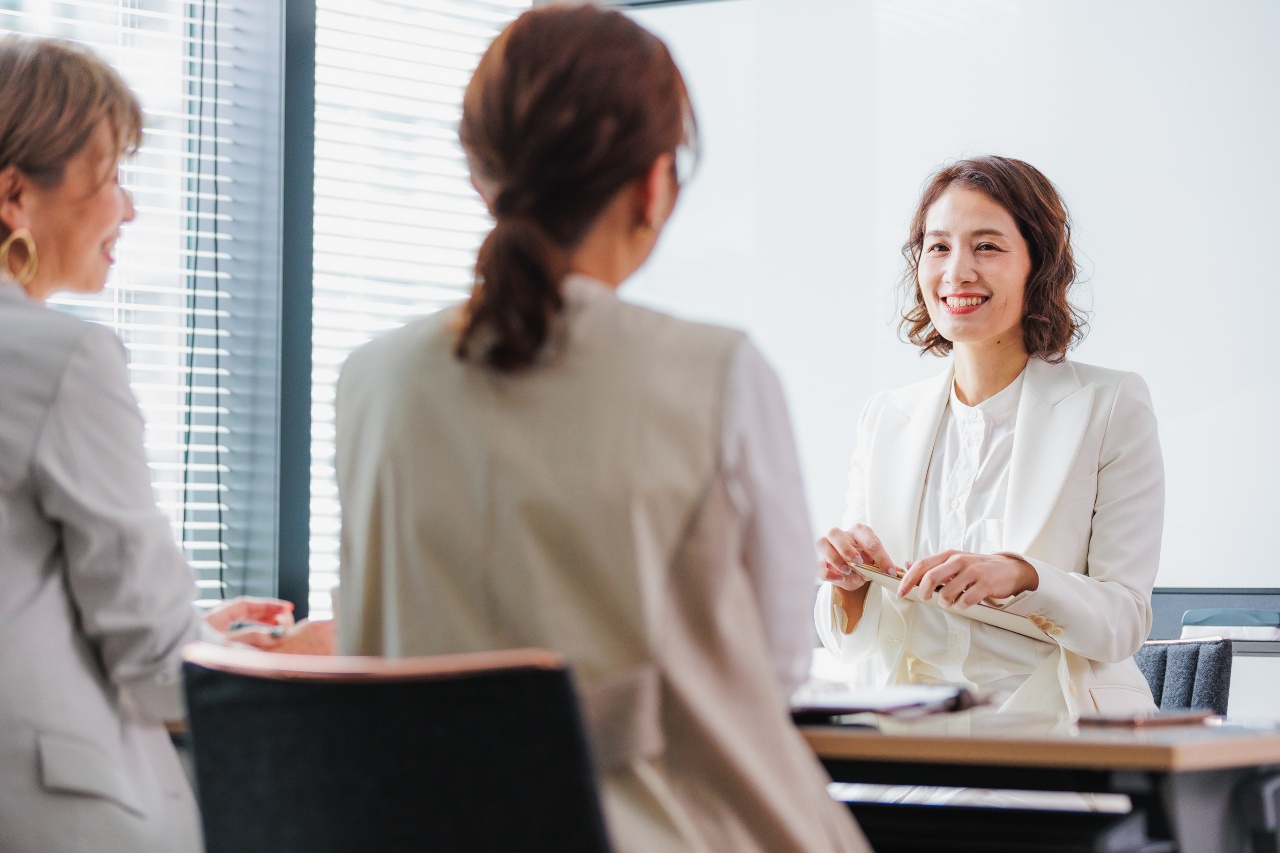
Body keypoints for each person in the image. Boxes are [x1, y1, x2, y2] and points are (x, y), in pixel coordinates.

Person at [334, 7, 867, 852]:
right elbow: (771, 670)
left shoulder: (371, 379)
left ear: (482, 177)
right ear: (655, 184)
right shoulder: (717, 371)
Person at [0, 36, 325, 853]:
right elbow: (155, 669)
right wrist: (290, 656)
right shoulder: (61, 359)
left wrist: (201, 627)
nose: (128, 207)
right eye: (109, 177)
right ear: (14, 195)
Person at [815, 155, 1163, 717]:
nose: (957, 272)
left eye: (988, 246)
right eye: (938, 247)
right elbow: (851, 641)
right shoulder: (885, 418)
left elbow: (1123, 623)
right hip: (906, 732)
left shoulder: (1111, 404)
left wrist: (1023, 577)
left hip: (1049, 726)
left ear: (1039, 265)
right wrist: (850, 583)